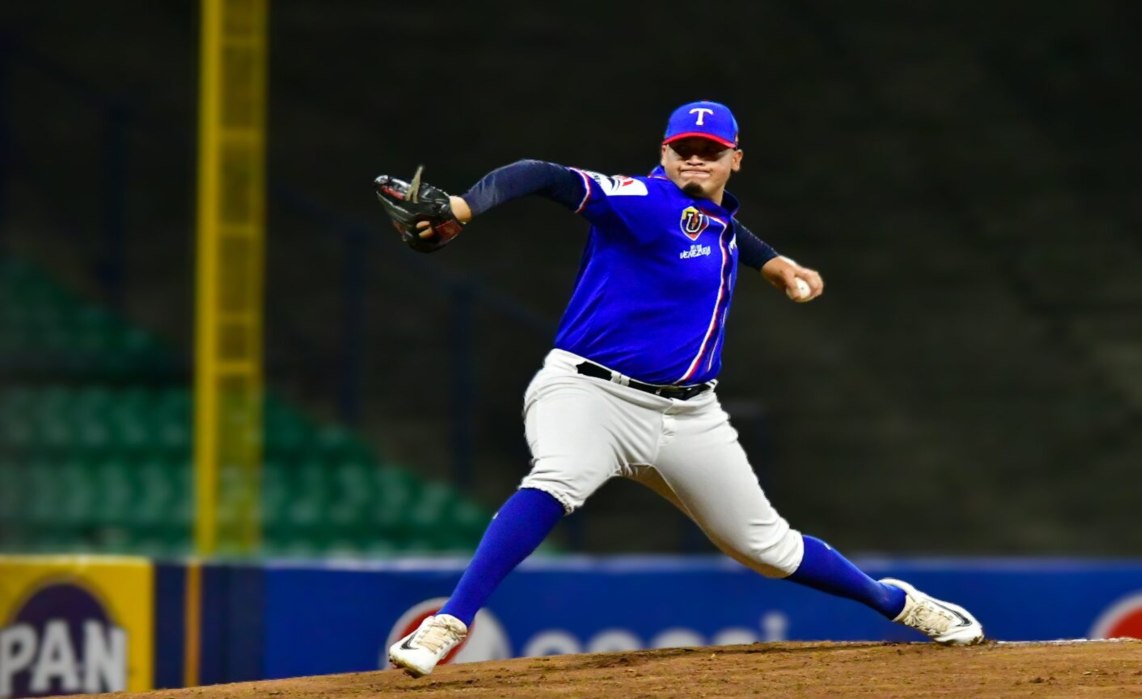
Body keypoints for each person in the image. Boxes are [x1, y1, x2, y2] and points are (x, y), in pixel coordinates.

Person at [386, 100, 984, 677]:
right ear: (664, 153)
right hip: (591, 394)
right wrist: (463, 207)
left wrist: (773, 263)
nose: (695, 158)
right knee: (559, 478)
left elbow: (720, 228)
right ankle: (448, 623)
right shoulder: (642, 198)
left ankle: (896, 602)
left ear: (735, 160)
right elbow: (540, 174)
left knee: (767, 549)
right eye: (684, 149)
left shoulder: (713, 217)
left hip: (690, 416)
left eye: (710, 150)